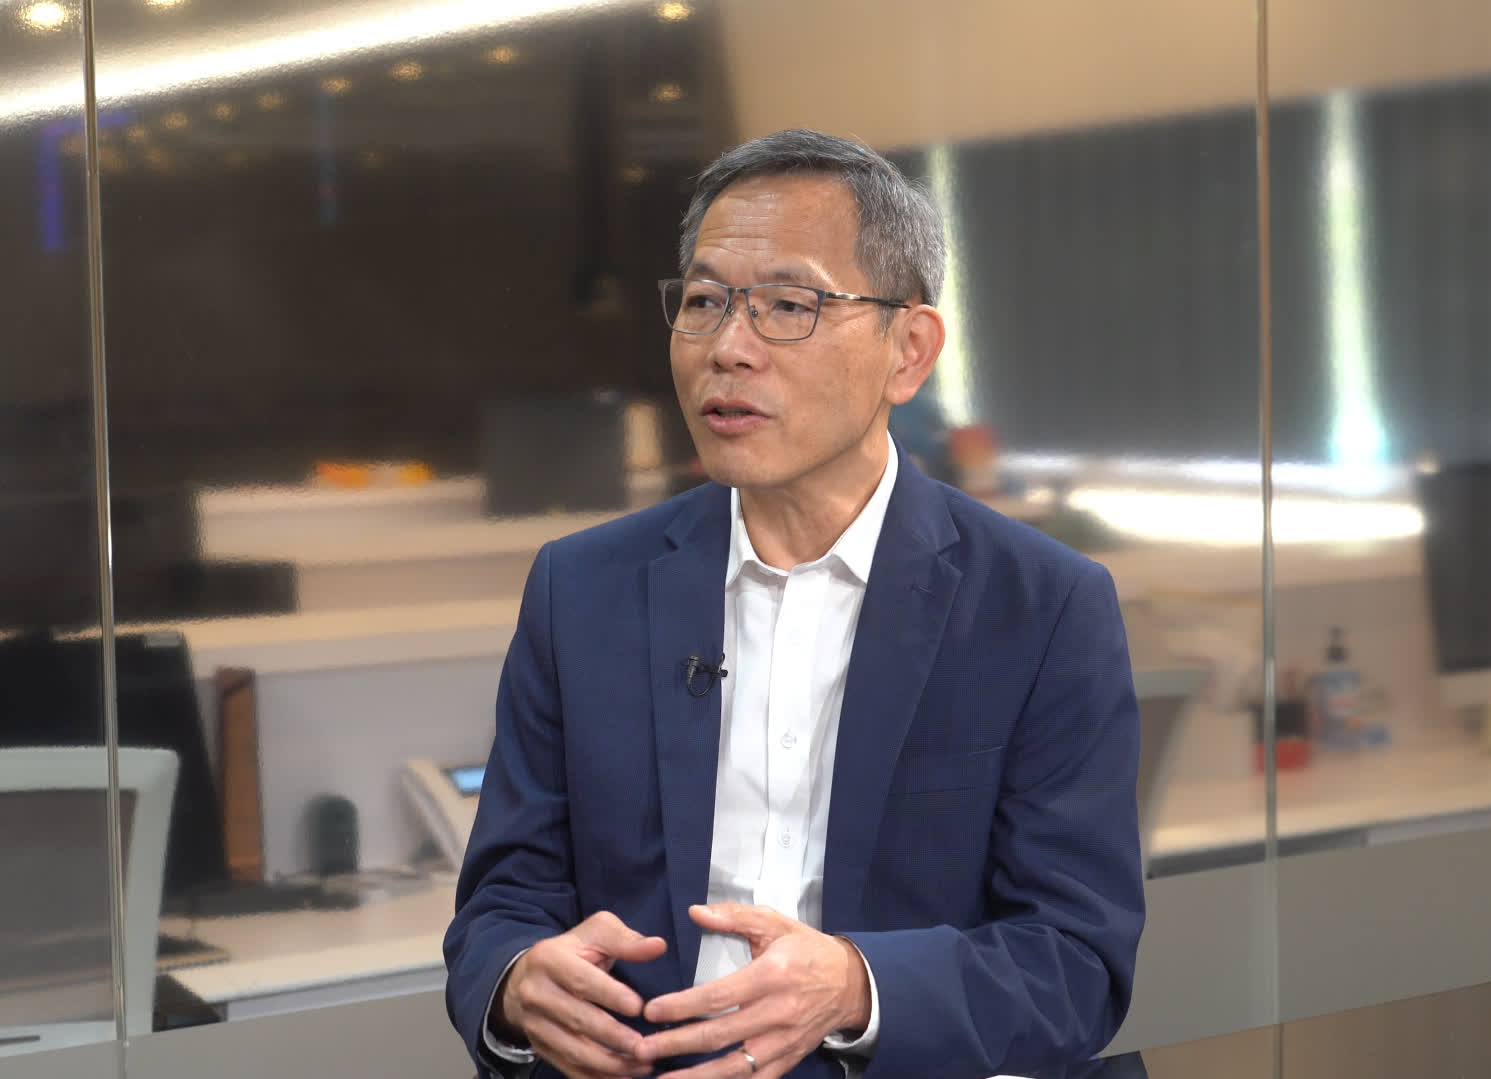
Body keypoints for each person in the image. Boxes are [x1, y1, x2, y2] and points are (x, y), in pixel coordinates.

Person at [444, 129, 1144, 1079]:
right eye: (704, 303)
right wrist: (518, 981)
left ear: (908, 351)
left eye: (788, 306)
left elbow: (1074, 964)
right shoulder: (582, 587)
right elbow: (500, 903)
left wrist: (857, 987)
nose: (729, 349)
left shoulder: (1042, 606)